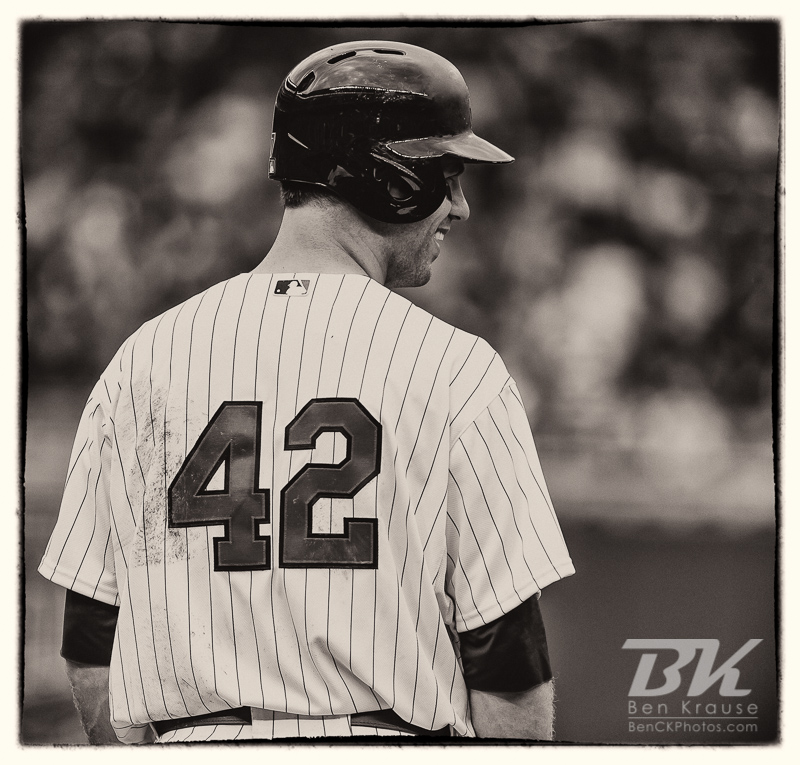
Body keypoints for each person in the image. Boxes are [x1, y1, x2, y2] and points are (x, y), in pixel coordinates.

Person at [38, 39, 575, 744]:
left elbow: (91, 635)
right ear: (392, 177)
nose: (460, 207)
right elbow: (506, 656)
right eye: (447, 174)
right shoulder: (455, 369)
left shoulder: (142, 360)